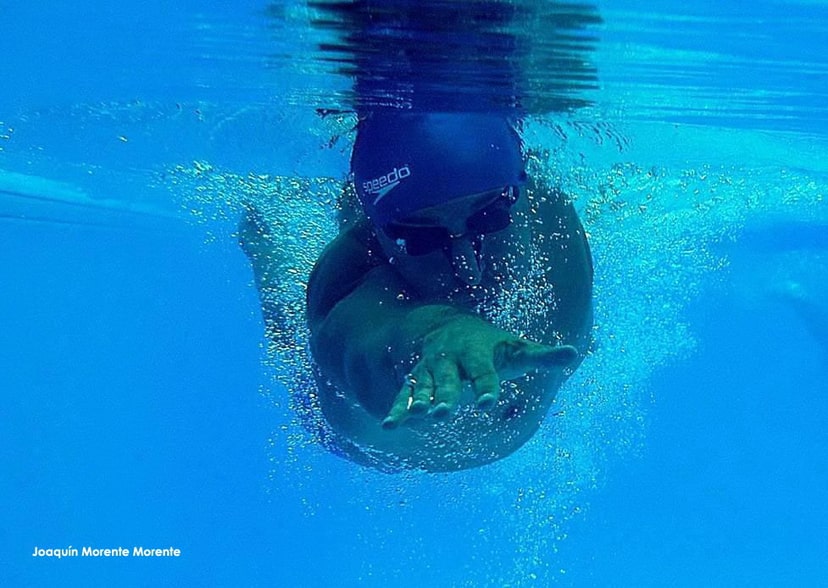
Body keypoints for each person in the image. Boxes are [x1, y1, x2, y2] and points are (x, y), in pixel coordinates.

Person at [241, 111, 594, 472]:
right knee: (295, 332)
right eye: (421, 237)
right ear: (378, 234)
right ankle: (264, 248)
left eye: (488, 218)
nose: (467, 266)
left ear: (515, 196)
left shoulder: (549, 222)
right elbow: (369, 346)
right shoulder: (350, 279)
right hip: (370, 449)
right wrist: (441, 334)